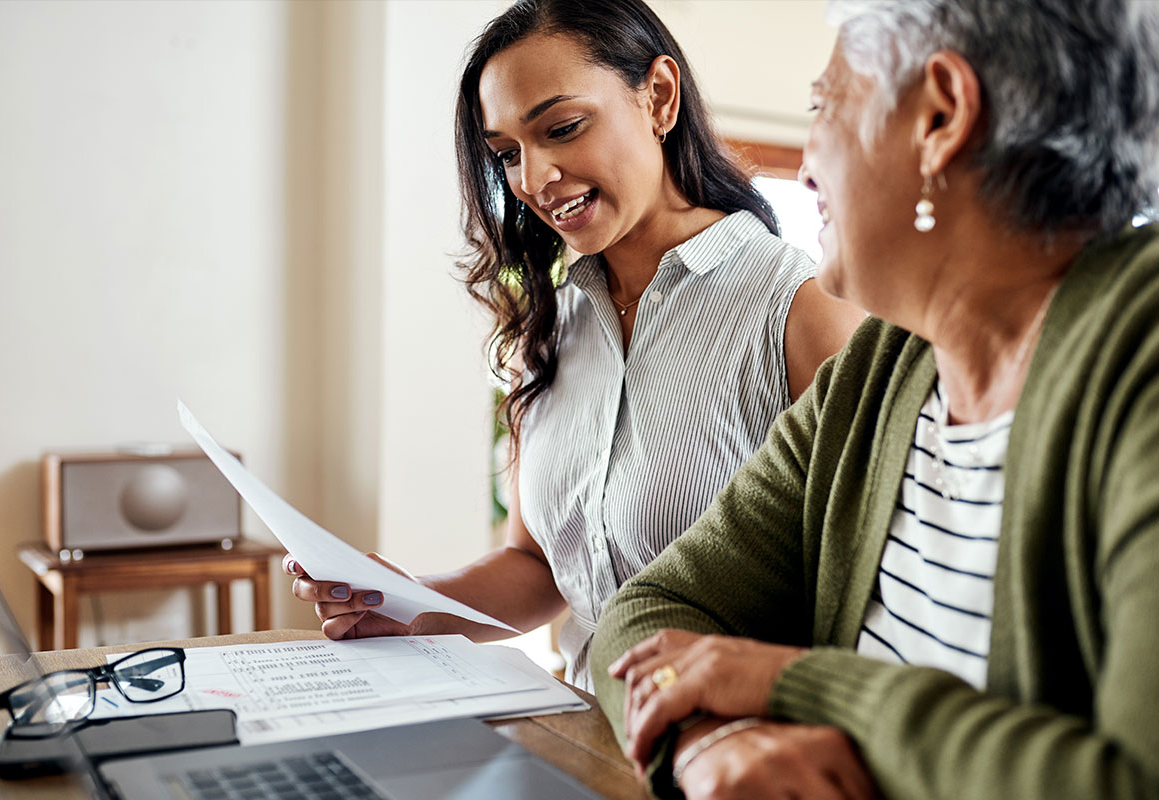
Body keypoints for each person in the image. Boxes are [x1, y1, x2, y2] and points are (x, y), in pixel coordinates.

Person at [590, 0, 1159, 797]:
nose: (808, 159)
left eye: (824, 106)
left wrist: (798, 685)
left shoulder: (1140, 363)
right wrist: (711, 738)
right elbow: (648, 612)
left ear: (941, 115)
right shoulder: (881, 371)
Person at [282, 0, 864, 691]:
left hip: (740, 759)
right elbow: (537, 569)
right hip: (586, 736)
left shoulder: (799, 308)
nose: (531, 179)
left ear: (659, 97)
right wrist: (407, 602)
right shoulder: (550, 331)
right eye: (506, 154)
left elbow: (861, 596)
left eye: (562, 128)